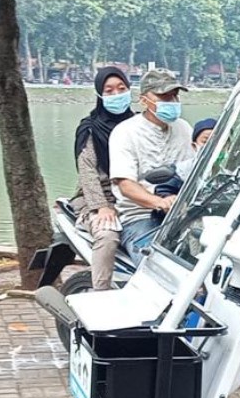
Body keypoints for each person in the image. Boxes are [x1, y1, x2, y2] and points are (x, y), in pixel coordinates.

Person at [107, 69, 196, 264]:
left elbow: (195, 170)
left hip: (182, 214)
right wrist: (158, 202)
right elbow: (126, 185)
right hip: (141, 216)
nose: (171, 101)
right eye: (163, 96)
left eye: (174, 96)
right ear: (144, 100)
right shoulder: (125, 132)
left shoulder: (184, 128)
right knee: (158, 267)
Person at [70, 66, 135, 290]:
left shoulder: (137, 126)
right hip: (99, 199)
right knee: (107, 236)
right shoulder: (90, 129)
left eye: (121, 88)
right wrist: (101, 207)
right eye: (109, 91)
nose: (117, 94)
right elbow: (87, 171)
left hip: (134, 197)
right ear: (99, 94)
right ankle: (101, 295)